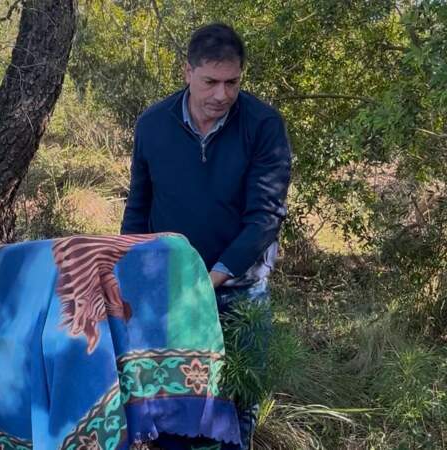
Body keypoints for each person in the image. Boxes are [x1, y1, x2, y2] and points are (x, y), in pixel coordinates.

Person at [120, 23, 292, 448]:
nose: (221, 94)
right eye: (210, 82)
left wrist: (210, 279)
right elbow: (138, 208)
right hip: (166, 288)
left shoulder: (264, 126)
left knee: (237, 398)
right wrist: (128, 274)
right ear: (187, 72)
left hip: (238, 290)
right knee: (168, 399)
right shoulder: (153, 125)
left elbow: (265, 218)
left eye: (232, 82)